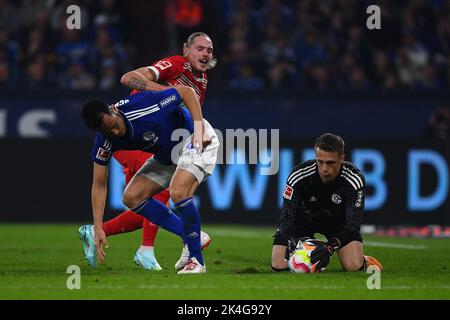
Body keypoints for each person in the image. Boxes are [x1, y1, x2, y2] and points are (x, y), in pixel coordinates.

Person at [78, 32, 216, 270]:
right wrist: (97, 225)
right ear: (186, 50)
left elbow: (187, 95)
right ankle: (180, 239)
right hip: (163, 145)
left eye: (209, 50)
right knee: (134, 197)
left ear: (113, 111)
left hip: (184, 140)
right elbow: (98, 184)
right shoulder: (174, 67)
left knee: (176, 192)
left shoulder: (199, 80)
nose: (116, 132)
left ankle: (188, 255)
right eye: (200, 48)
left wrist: (198, 128)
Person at [271, 133, 382, 272]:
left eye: (330, 163)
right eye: (320, 161)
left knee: (353, 266)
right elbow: (286, 219)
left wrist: (330, 247)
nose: (324, 168)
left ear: (341, 159)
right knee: (278, 265)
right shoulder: (299, 176)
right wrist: (294, 241)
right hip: (304, 220)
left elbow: (353, 225)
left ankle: (364, 260)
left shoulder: (353, 179)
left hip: (336, 223)